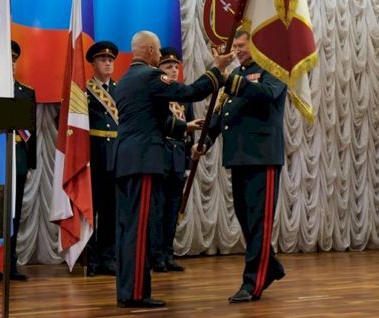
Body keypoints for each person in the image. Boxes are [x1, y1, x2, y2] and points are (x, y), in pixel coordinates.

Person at [113, 31, 234, 308]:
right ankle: (136, 294)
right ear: (149, 50)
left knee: (128, 227)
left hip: (125, 160)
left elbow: (151, 119)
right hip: (144, 161)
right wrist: (217, 69)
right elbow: (190, 93)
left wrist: (185, 127)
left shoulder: (125, 81)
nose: (159, 56)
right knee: (141, 228)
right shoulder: (150, 76)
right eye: (157, 51)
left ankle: (127, 290)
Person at [195, 30, 287, 303]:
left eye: (242, 45)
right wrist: (206, 140)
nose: (237, 50)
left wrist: (230, 80)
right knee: (246, 220)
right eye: (235, 45)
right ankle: (270, 266)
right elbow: (222, 112)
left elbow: (267, 94)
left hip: (262, 157)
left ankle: (252, 284)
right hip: (238, 157)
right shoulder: (236, 75)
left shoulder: (274, 69)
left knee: (259, 222)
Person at [0, 40, 37, 281]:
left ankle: (10, 265)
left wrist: (31, 162)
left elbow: (32, 130)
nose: (11, 64)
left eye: (14, 60)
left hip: (18, 157)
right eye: (6, 59)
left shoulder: (26, 92)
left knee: (14, 213)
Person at [149, 47, 202, 273]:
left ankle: (168, 253)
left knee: (173, 209)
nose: (173, 70)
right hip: (160, 155)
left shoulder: (184, 98)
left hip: (178, 157)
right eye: (168, 66)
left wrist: (189, 163)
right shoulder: (156, 93)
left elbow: (190, 133)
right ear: (159, 69)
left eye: (175, 66)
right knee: (158, 209)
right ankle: (156, 256)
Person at [84, 41, 119, 276]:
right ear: (93, 64)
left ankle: (109, 258)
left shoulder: (120, 90)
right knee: (91, 209)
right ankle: (91, 259)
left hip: (115, 156)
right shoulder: (84, 91)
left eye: (110, 60)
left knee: (111, 210)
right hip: (93, 156)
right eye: (102, 59)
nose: (107, 63)